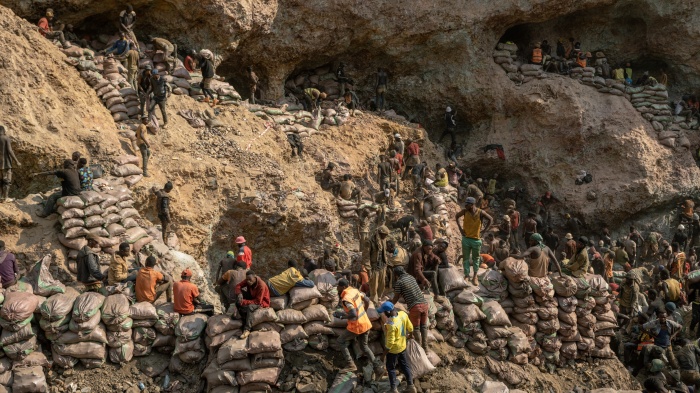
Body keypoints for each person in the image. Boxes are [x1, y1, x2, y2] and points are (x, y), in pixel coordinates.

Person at [334, 278, 380, 372]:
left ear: (343, 287)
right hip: (365, 323)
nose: (337, 288)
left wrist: (342, 316)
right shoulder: (355, 290)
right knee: (364, 347)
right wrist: (364, 311)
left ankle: (351, 364)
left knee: (340, 341)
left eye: (338, 286)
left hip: (357, 326)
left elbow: (353, 314)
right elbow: (367, 300)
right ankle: (377, 367)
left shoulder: (346, 299)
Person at [376, 301, 417, 393]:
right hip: (402, 346)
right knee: (405, 365)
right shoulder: (403, 314)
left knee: (391, 368)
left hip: (393, 350)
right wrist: (410, 335)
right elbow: (410, 327)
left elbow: (390, 343)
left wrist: (383, 356)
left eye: (384, 312)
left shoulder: (391, 324)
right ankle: (411, 386)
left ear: (388, 312)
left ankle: (393, 389)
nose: (384, 314)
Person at [456, 197, 493, 285]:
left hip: (476, 240)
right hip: (466, 238)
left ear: (472, 205)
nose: (465, 206)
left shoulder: (480, 212)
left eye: (467, 204)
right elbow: (456, 216)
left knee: (476, 259)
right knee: (465, 257)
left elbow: (491, 219)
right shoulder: (465, 211)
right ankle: (466, 275)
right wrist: (460, 229)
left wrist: (484, 231)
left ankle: (475, 276)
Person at [235, 270, 271, 339]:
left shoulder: (261, 285)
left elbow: (258, 302)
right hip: (252, 297)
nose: (248, 281)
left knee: (250, 307)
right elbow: (238, 286)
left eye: (250, 280)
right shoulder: (248, 280)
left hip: (261, 302)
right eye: (247, 279)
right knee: (238, 298)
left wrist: (244, 302)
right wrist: (239, 294)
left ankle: (247, 329)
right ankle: (242, 317)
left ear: (255, 277)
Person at [367, 225, 391, 303]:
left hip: (382, 266)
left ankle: (379, 299)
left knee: (381, 285)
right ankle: (374, 302)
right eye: (385, 234)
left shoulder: (383, 240)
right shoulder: (369, 241)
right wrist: (368, 269)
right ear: (380, 233)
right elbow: (366, 257)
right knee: (374, 287)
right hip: (374, 267)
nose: (386, 236)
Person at [0, 126, 20, 202]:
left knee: (0, 181)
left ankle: (0, 197)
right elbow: (10, 150)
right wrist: (17, 161)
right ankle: (5, 198)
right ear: (3, 131)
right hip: (6, 164)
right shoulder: (6, 138)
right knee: (7, 181)